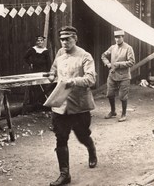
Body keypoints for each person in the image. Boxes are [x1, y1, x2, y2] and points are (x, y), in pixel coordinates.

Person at [47, 26, 97, 186]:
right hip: (60, 106)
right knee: (61, 139)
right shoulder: (60, 55)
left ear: (75, 38)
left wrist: (73, 81)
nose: (64, 42)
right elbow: (54, 68)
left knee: (82, 136)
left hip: (79, 106)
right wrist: (51, 75)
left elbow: (91, 79)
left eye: (68, 39)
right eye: (62, 39)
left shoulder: (85, 56)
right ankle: (64, 174)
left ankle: (91, 149)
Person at [101, 30, 135, 122]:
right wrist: (107, 63)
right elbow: (103, 55)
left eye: (119, 37)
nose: (117, 39)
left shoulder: (128, 48)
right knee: (109, 94)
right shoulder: (112, 47)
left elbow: (131, 62)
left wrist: (118, 64)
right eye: (116, 37)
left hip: (124, 76)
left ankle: (123, 114)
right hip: (112, 75)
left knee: (122, 96)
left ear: (123, 37)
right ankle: (113, 111)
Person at [24, 35, 51, 108]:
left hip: (43, 71)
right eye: (38, 41)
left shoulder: (46, 51)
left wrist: (48, 71)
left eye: (41, 40)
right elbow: (25, 57)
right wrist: (30, 63)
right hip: (35, 70)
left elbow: (49, 62)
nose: (40, 42)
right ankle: (34, 103)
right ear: (36, 42)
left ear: (43, 41)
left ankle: (43, 102)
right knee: (35, 86)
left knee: (44, 86)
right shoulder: (32, 50)